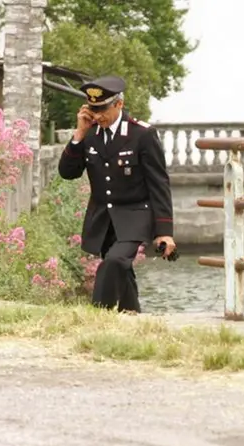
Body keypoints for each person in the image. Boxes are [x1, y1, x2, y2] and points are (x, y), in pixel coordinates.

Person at [58, 75, 176, 313]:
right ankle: (131, 314)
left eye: (102, 109)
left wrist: (164, 232)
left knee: (113, 262)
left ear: (118, 104)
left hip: (135, 215)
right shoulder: (90, 134)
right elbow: (67, 173)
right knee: (122, 268)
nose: (98, 115)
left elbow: (159, 183)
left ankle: (97, 313)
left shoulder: (141, 135)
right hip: (103, 217)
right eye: (93, 109)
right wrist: (78, 135)